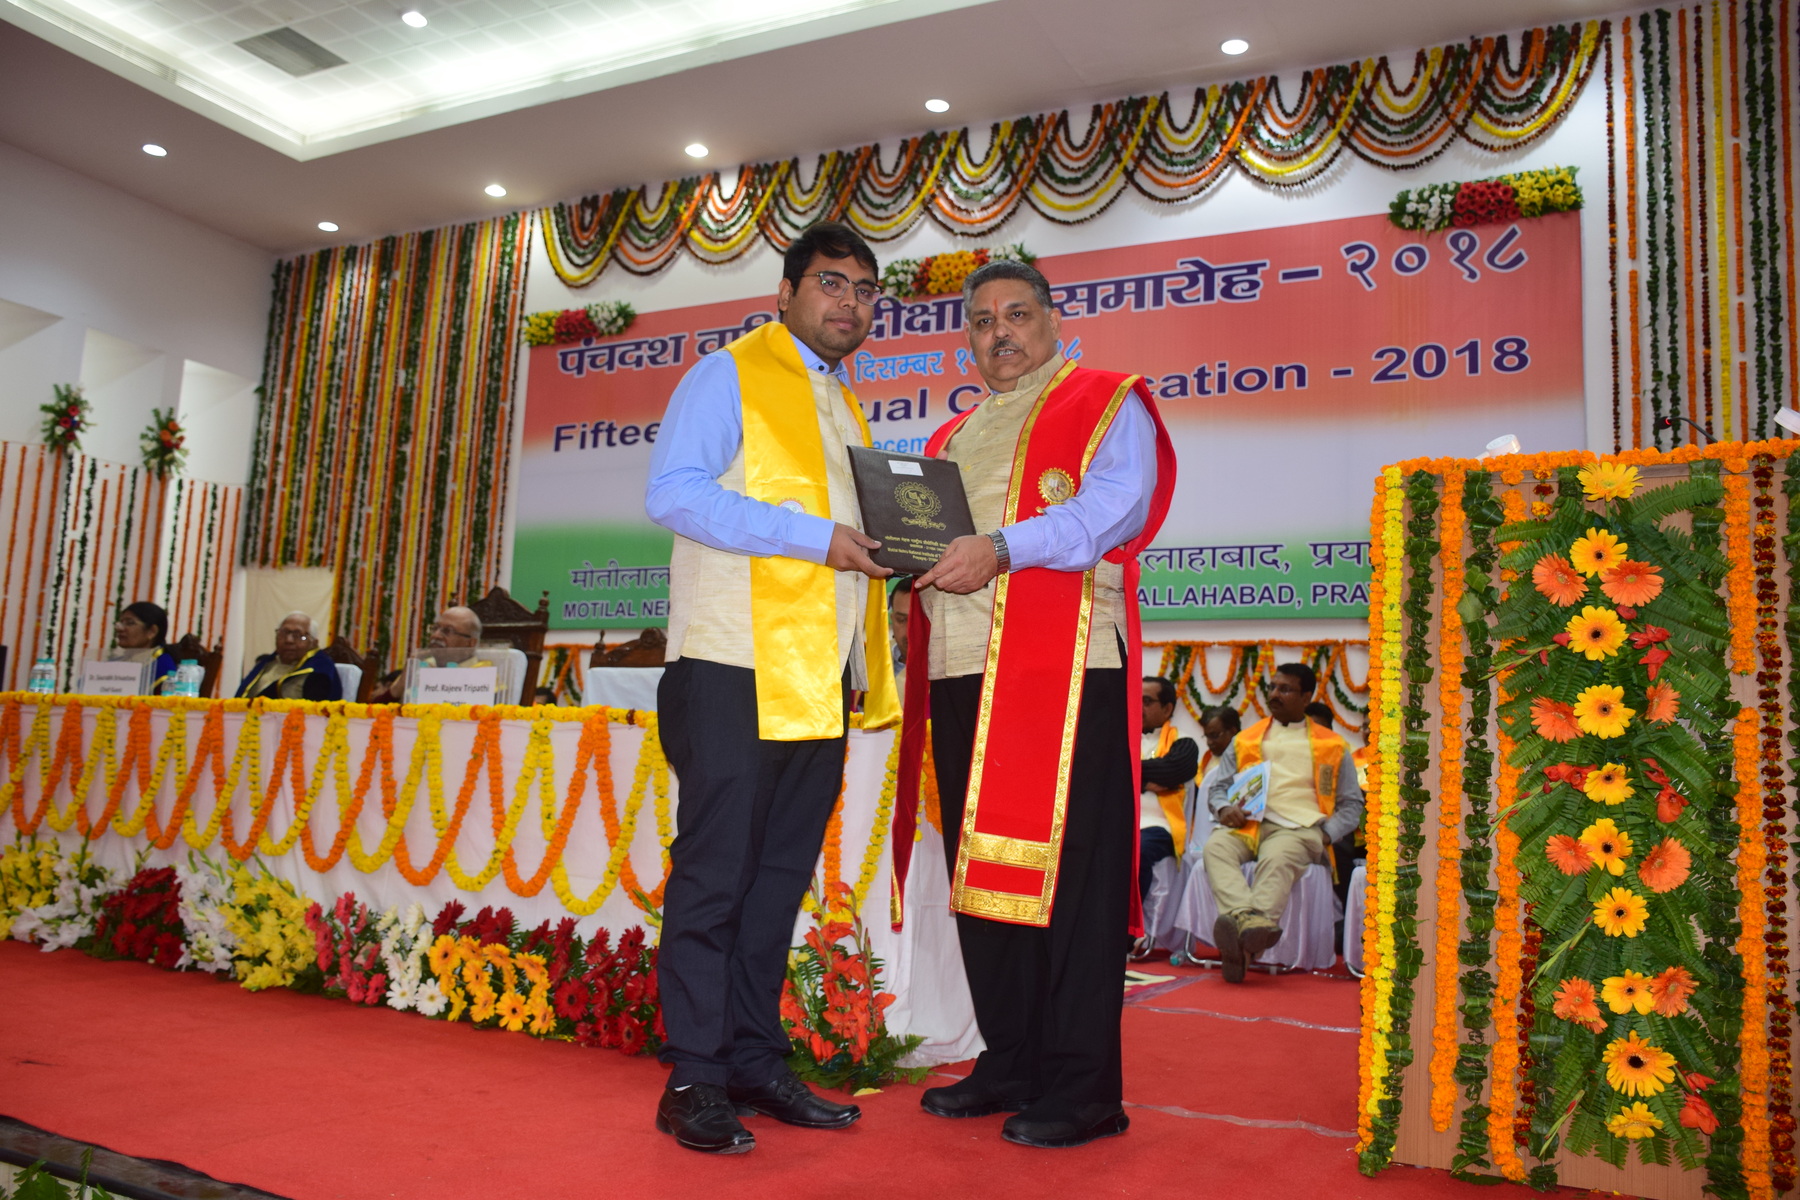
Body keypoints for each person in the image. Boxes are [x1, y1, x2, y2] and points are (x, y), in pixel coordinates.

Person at [895, 258, 1174, 1149]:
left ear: (1054, 320)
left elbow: (1116, 509)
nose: (999, 333)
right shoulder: (949, 437)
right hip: (959, 668)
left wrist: (1003, 549)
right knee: (982, 872)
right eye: (982, 322)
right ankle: (1010, 1059)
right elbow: (934, 544)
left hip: (1065, 667)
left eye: (1016, 315)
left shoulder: (1105, 399)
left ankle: (1083, 1087)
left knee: (1074, 879)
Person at [642, 220, 901, 1155]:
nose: (850, 303)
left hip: (816, 679)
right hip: (729, 668)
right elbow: (674, 493)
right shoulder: (727, 375)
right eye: (832, 283)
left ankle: (752, 1058)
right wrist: (816, 538)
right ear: (785, 293)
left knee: (776, 883)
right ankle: (693, 1076)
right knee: (716, 877)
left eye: (866, 291)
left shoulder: (844, 407)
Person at [1203, 662, 1362, 983]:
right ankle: (1247, 924)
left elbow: (1352, 804)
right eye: (1273, 687)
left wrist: (1327, 834)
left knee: (1276, 859)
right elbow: (1219, 788)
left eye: (1285, 689)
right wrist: (1223, 809)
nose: (1274, 694)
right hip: (1248, 824)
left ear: (1306, 697)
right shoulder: (1246, 739)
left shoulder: (1333, 745)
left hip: (1297, 829)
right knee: (1215, 847)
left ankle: (1242, 942)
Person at [1137, 676, 1198, 900]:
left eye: (1147, 701)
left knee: (1138, 851)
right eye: (1136, 699)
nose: (1139, 707)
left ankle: (1130, 918)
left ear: (1167, 708)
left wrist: (1131, 772)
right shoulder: (1122, 739)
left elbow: (1175, 769)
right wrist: (1146, 783)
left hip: (1160, 826)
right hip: (1121, 822)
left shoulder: (1183, 742)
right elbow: (1106, 771)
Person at [368, 606, 485, 703]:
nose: (435, 635)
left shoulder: (484, 675)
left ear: (471, 643)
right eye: (435, 628)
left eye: (447, 631)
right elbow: (376, 712)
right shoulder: (422, 666)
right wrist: (402, 682)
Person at [235, 612, 343, 701]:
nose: (288, 640)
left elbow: (315, 714)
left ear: (313, 643)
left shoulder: (320, 671)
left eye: (298, 635)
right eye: (283, 633)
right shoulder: (266, 664)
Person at [108, 602, 178, 693]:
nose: (119, 628)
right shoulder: (115, 662)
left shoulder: (163, 668)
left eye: (130, 623)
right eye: (121, 623)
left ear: (152, 632)